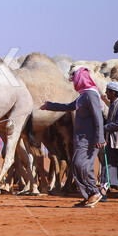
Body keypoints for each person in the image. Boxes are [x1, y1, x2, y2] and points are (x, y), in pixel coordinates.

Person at [41, 67, 105, 208]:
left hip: (89, 138)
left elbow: (98, 117)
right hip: (81, 137)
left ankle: (94, 192)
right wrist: (49, 106)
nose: (73, 81)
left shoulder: (91, 95)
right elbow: (69, 106)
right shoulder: (83, 96)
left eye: (75, 78)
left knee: (82, 165)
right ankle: (88, 196)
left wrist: (100, 137)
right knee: (76, 165)